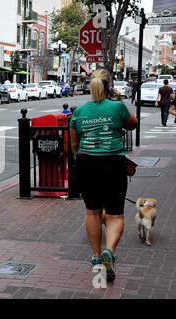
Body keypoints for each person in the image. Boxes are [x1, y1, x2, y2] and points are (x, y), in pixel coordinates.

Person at [70, 68, 138, 283]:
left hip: (86, 164)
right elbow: (132, 124)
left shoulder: (79, 112)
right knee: (115, 214)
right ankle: (109, 251)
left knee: (93, 212)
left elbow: (74, 144)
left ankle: (96, 256)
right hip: (113, 163)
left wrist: (82, 159)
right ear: (109, 86)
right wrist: (118, 101)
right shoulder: (117, 106)